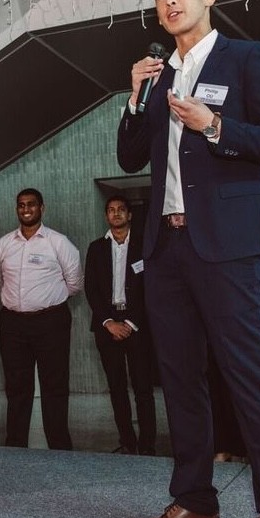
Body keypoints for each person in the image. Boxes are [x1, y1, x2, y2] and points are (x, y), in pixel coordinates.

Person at [117, 0, 260, 518]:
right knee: (178, 378)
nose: (169, 1)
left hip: (227, 246)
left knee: (248, 377)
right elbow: (127, 158)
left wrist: (214, 124)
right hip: (166, 248)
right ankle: (195, 499)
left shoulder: (246, 58)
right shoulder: (160, 75)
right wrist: (134, 96)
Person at [0, 188, 83, 449]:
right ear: (17, 209)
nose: (26, 209)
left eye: (31, 204)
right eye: (21, 205)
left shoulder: (58, 242)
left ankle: (59, 448)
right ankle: (15, 447)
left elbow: (74, 283)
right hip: (13, 325)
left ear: (42, 207)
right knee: (17, 388)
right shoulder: (3, 245)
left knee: (54, 387)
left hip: (51, 322)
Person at [84, 195, 156, 456]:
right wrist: (109, 322)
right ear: (106, 216)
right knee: (116, 388)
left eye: (121, 210)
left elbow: (151, 287)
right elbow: (90, 289)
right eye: (111, 210)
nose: (116, 214)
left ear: (130, 215)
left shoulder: (144, 246)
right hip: (107, 327)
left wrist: (129, 322)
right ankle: (128, 442)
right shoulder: (96, 248)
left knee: (143, 389)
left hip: (137, 326)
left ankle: (148, 445)